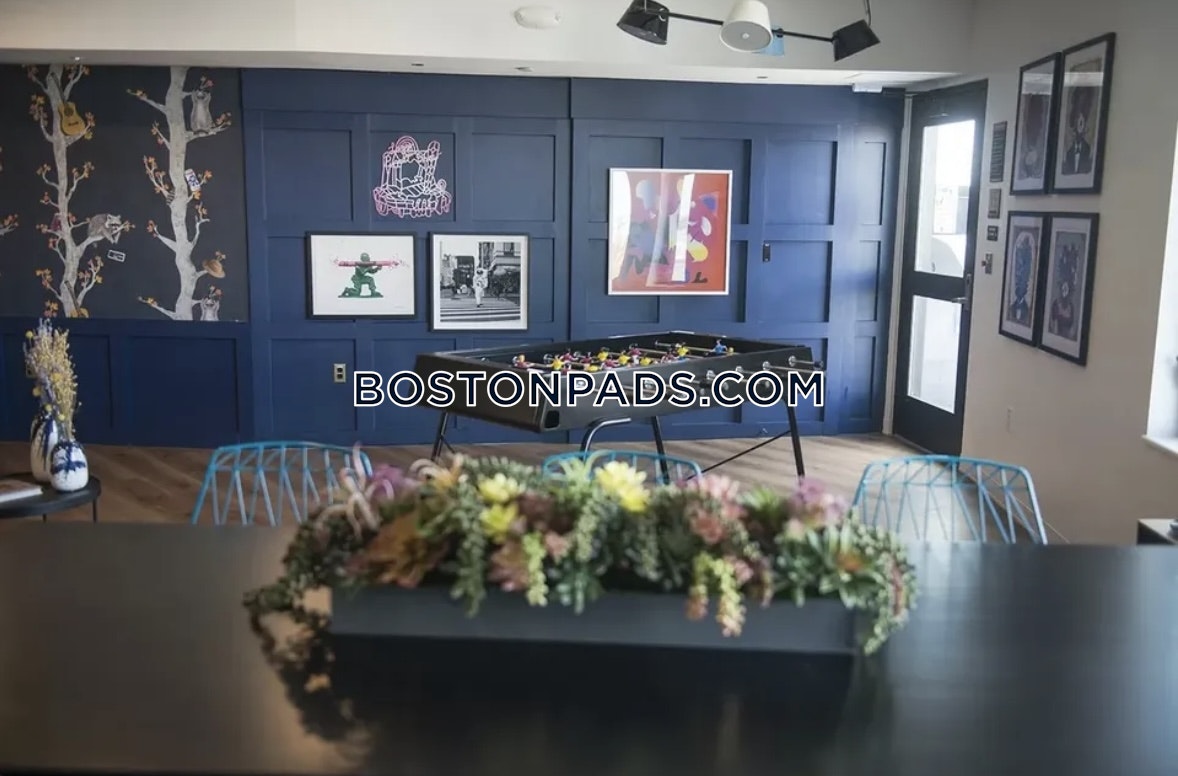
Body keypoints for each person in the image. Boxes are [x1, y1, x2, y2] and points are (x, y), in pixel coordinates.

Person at [1062, 110, 1093, 176]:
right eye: (1078, 121)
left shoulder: (1088, 150)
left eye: (1082, 122)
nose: (1080, 124)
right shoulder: (1068, 153)